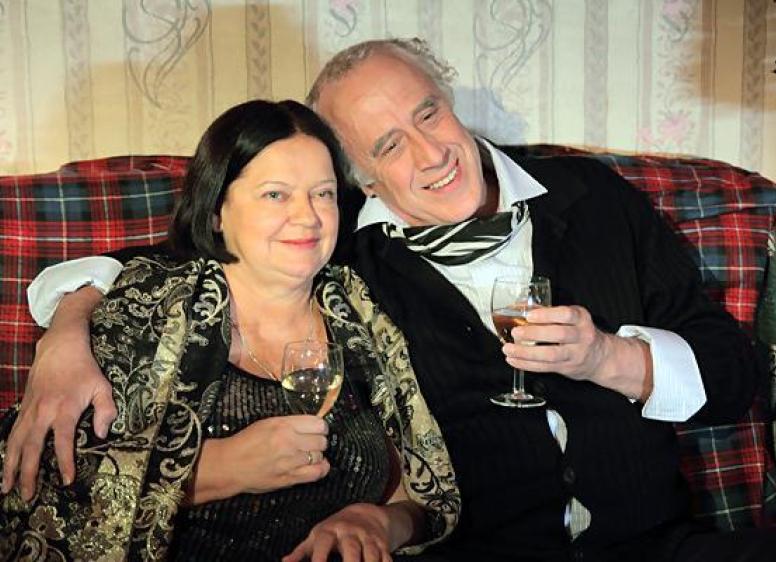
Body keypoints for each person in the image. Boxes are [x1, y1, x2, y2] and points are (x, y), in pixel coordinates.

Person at [4, 38, 775, 560]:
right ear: (361, 178)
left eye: (427, 114)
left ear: (449, 100)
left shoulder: (593, 197)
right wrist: (66, 337)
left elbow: (733, 375)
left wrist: (610, 358)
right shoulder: (341, 250)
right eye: (388, 145)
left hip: (657, 544)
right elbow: (175, 257)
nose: (432, 153)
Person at [0, 99, 459, 561]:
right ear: (217, 210)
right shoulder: (146, 309)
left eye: (323, 194)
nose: (308, 216)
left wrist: (381, 521)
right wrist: (219, 469)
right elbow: (46, 489)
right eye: (275, 195)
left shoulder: (366, 310)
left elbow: (420, 488)